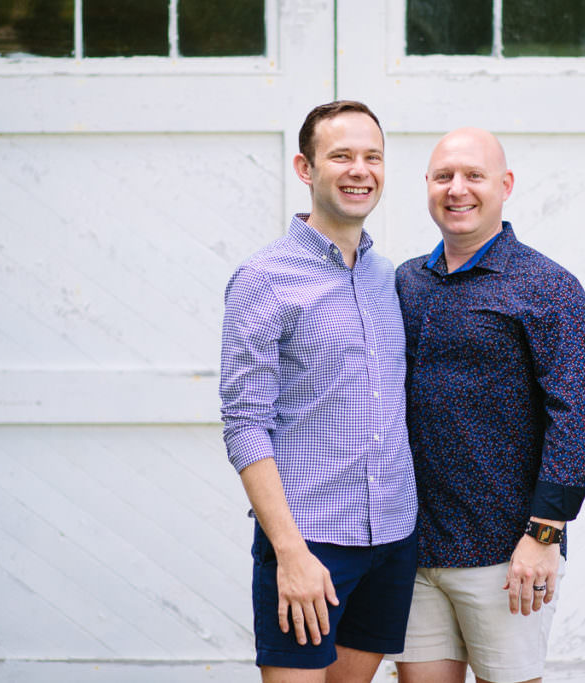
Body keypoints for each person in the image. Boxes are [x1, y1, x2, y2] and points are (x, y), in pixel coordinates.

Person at [391, 128, 585, 683]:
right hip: (415, 549)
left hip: (506, 553)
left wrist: (544, 535)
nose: (457, 189)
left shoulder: (548, 288)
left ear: (505, 186)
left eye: (474, 176)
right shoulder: (406, 282)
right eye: (443, 176)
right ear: (427, 186)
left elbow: (575, 419)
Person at [219, 100, 418, 683]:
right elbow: (244, 424)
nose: (360, 170)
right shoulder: (263, 279)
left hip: (392, 537)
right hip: (310, 542)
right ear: (305, 169)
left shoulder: (389, 278)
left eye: (373, 157)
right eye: (342, 156)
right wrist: (290, 552)